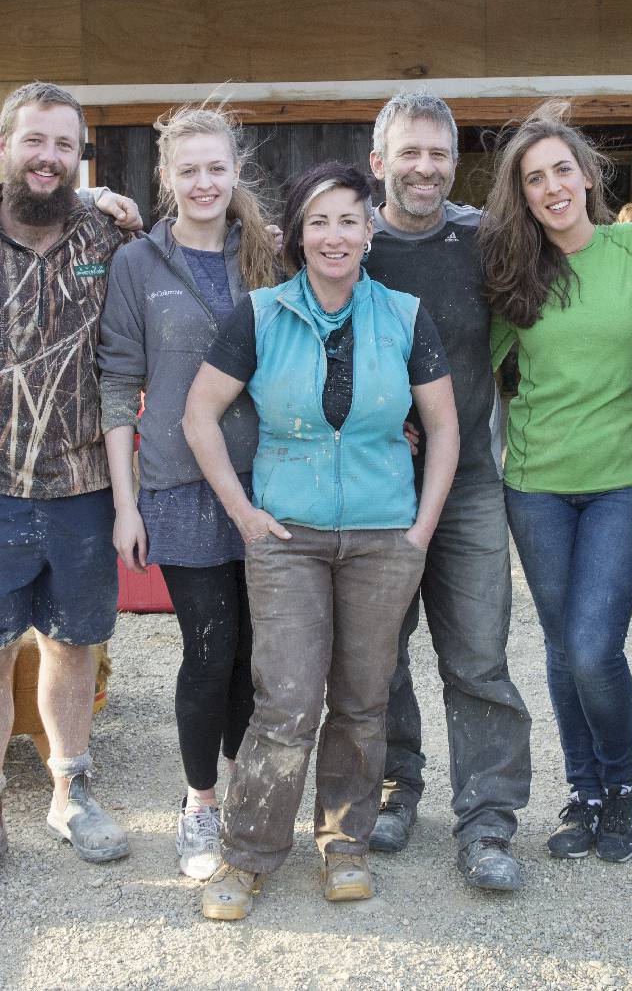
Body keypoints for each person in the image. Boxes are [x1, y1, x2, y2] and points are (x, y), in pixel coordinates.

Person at [183, 162, 458, 921]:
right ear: (297, 237)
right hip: (287, 538)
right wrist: (242, 511)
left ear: (370, 231)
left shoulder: (404, 315)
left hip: (382, 538)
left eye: (348, 220)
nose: (334, 236)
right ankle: (246, 855)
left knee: (365, 701)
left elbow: (444, 427)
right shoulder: (262, 313)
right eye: (318, 222)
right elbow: (197, 414)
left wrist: (421, 529)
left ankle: (345, 845)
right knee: (288, 700)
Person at [0, 82, 139, 889]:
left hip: (84, 481)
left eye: (64, 145)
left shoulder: (111, 233)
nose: (48, 157)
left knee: (75, 643)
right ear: (3, 145)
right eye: (34, 141)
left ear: (79, 156)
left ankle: (69, 791)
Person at [478, 101, 632, 868]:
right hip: (535, 482)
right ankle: (584, 792)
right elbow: (467, 362)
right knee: (561, 648)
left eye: (563, 168)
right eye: (534, 178)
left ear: (588, 175)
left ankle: (621, 786)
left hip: (627, 478)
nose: (552, 186)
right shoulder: (517, 272)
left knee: (594, 647)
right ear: (521, 195)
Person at [96, 103, 278, 882]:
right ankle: (200, 802)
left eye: (216, 167)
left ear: (236, 170)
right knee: (208, 649)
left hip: (268, 480)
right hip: (177, 486)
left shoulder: (268, 253)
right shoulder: (140, 263)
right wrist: (125, 503)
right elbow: (117, 384)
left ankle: (239, 786)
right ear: (166, 178)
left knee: (253, 653)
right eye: (187, 169)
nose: (204, 182)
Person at [359, 92, 532, 893]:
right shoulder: (348, 240)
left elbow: (579, 245)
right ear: (379, 163)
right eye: (409, 152)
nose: (424, 167)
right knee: (378, 651)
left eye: (437, 153)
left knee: (477, 654)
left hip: (466, 484)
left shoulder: (484, 239)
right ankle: (397, 787)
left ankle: (488, 817)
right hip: (372, 486)